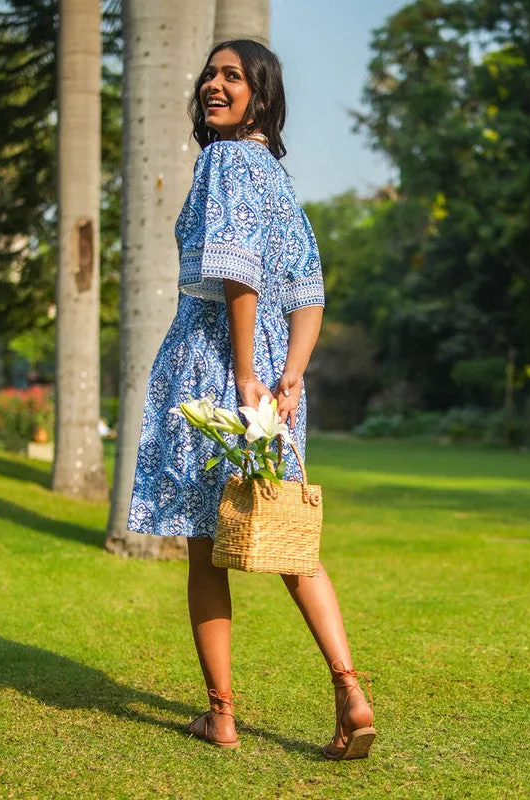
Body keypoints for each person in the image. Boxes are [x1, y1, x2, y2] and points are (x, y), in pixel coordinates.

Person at [126, 39, 375, 760]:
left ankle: (223, 715)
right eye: (209, 73)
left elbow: (238, 275)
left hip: (218, 367)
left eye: (231, 75)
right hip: (271, 377)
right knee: (293, 542)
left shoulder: (225, 160)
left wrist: (243, 377)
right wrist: (290, 373)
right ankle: (350, 691)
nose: (213, 83)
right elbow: (308, 291)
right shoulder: (277, 177)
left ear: (260, 95)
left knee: (206, 550)